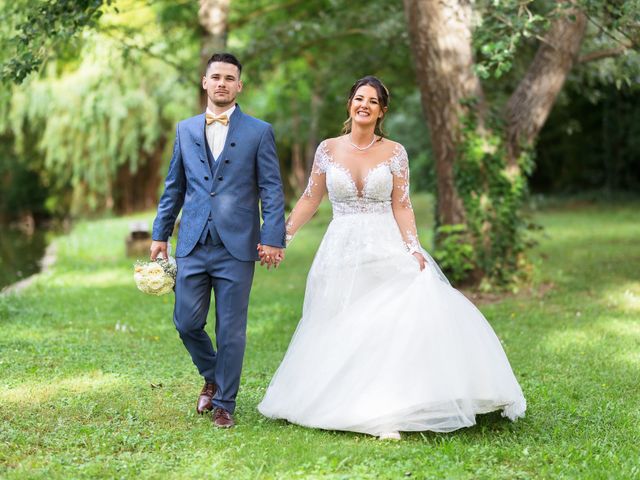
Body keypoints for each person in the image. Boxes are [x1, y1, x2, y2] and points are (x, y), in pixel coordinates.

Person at [257, 76, 526, 440]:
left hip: (384, 243)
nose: (364, 105)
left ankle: (389, 405)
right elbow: (309, 198)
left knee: (390, 321)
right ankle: (347, 399)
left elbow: (402, 204)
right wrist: (281, 237)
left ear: (382, 111)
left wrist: (412, 247)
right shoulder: (327, 149)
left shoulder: (395, 152)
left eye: (372, 101)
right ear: (350, 104)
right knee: (342, 322)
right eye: (358, 98)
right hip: (341, 248)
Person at [151, 53, 286, 428]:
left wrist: (273, 236)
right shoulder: (186, 129)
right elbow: (173, 187)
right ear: (205, 82)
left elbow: (272, 190)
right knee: (185, 321)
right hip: (192, 243)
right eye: (216, 77)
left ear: (239, 86)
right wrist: (161, 233)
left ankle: (225, 401)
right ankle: (212, 375)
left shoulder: (259, 132)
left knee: (231, 328)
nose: (223, 83)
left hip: (237, 246)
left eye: (230, 77)